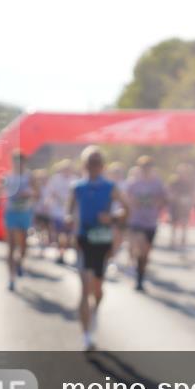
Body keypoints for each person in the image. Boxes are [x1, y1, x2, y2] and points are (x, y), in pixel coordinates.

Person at [67, 147, 129, 351]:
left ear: (102, 166)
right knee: (84, 288)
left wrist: (111, 218)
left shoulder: (111, 186)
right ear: (84, 165)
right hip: (83, 240)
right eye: (89, 163)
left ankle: (96, 311)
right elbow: (69, 211)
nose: (93, 167)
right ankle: (86, 336)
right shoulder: (77, 187)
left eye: (97, 163)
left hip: (102, 241)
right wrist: (68, 222)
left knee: (97, 289)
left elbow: (126, 209)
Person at [126, 156, 168, 291]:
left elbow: (164, 199)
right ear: (139, 169)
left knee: (146, 254)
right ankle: (137, 277)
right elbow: (126, 199)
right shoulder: (134, 183)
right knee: (140, 248)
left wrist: (157, 204)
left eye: (148, 168)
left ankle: (140, 276)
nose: (146, 170)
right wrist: (132, 204)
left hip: (151, 222)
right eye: (143, 168)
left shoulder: (157, 183)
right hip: (136, 221)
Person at [2, 151, 37, 291]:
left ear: (24, 163)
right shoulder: (8, 176)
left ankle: (19, 262)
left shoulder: (29, 177)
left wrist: (29, 194)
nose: (18, 164)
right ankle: (11, 279)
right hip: (11, 212)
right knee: (10, 246)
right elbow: (0, 192)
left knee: (23, 246)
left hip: (25, 213)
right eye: (16, 161)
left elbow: (38, 192)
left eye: (21, 161)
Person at [45, 159, 77, 264]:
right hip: (57, 212)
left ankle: (63, 253)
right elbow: (50, 193)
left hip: (69, 213)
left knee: (67, 235)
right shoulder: (55, 179)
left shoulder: (75, 180)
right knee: (59, 234)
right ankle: (60, 252)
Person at [168, 163, 195, 253]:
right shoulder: (174, 181)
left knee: (184, 221)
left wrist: (190, 201)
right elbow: (170, 191)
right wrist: (175, 197)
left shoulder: (189, 182)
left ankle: (183, 240)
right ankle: (173, 240)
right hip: (175, 205)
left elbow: (193, 193)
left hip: (185, 205)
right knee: (174, 222)